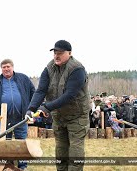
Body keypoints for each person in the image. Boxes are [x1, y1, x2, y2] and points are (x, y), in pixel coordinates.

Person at [27, 40, 91, 171]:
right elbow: (41, 90)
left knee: (75, 151)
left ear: (69, 53)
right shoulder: (49, 68)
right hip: (59, 116)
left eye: (60, 53)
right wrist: (31, 109)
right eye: (55, 52)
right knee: (60, 151)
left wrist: (47, 107)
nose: (56, 56)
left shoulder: (77, 69)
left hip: (77, 116)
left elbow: (69, 95)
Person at [0, 59, 35, 170]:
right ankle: (8, 165)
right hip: (4, 118)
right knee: (5, 143)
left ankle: (23, 167)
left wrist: (31, 107)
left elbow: (33, 91)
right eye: (4, 67)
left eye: (8, 66)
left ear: (12, 67)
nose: (6, 69)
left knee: (21, 142)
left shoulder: (23, 78)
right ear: (1, 69)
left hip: (21, 117)